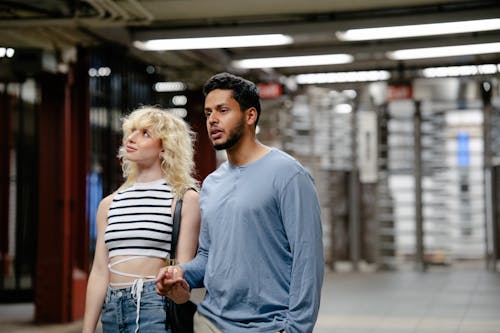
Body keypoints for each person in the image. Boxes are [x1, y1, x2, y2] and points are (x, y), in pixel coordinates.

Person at [156, 73, 324, 333]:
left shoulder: (289, 175)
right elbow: (208, 258)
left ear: (250, 116)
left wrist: (296, 329)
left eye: (223, 110)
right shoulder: (212, 184)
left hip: (269, 326)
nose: (212, 119)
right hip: (210, 323)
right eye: (209, 112)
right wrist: (180, 272)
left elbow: (308, 260)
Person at [82, 106, 201, 333]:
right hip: (111, 308)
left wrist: (177, 289)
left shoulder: (184, 199)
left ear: (165, 147)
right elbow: (99, 271)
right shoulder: (109, 203)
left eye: (145, 133)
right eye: (132, 130)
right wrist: (87, 330)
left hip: (153, 307)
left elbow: (182, 269)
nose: (132, 137)